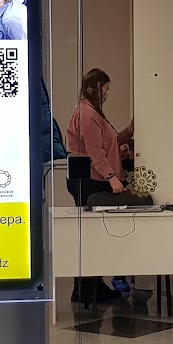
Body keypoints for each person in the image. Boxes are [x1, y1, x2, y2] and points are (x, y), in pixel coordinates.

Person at [63, 68, 139, 302]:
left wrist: (127, 134)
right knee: (91, 235)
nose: (107, 94)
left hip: (91, 178)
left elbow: (107, 144)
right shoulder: (87, 114)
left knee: (91, 235)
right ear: (97, 88)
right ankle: (88, 289)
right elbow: (95, 152)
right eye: (106, 89)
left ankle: (90, 287)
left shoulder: (91, 113)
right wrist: (112, 177)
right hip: (89, 181)